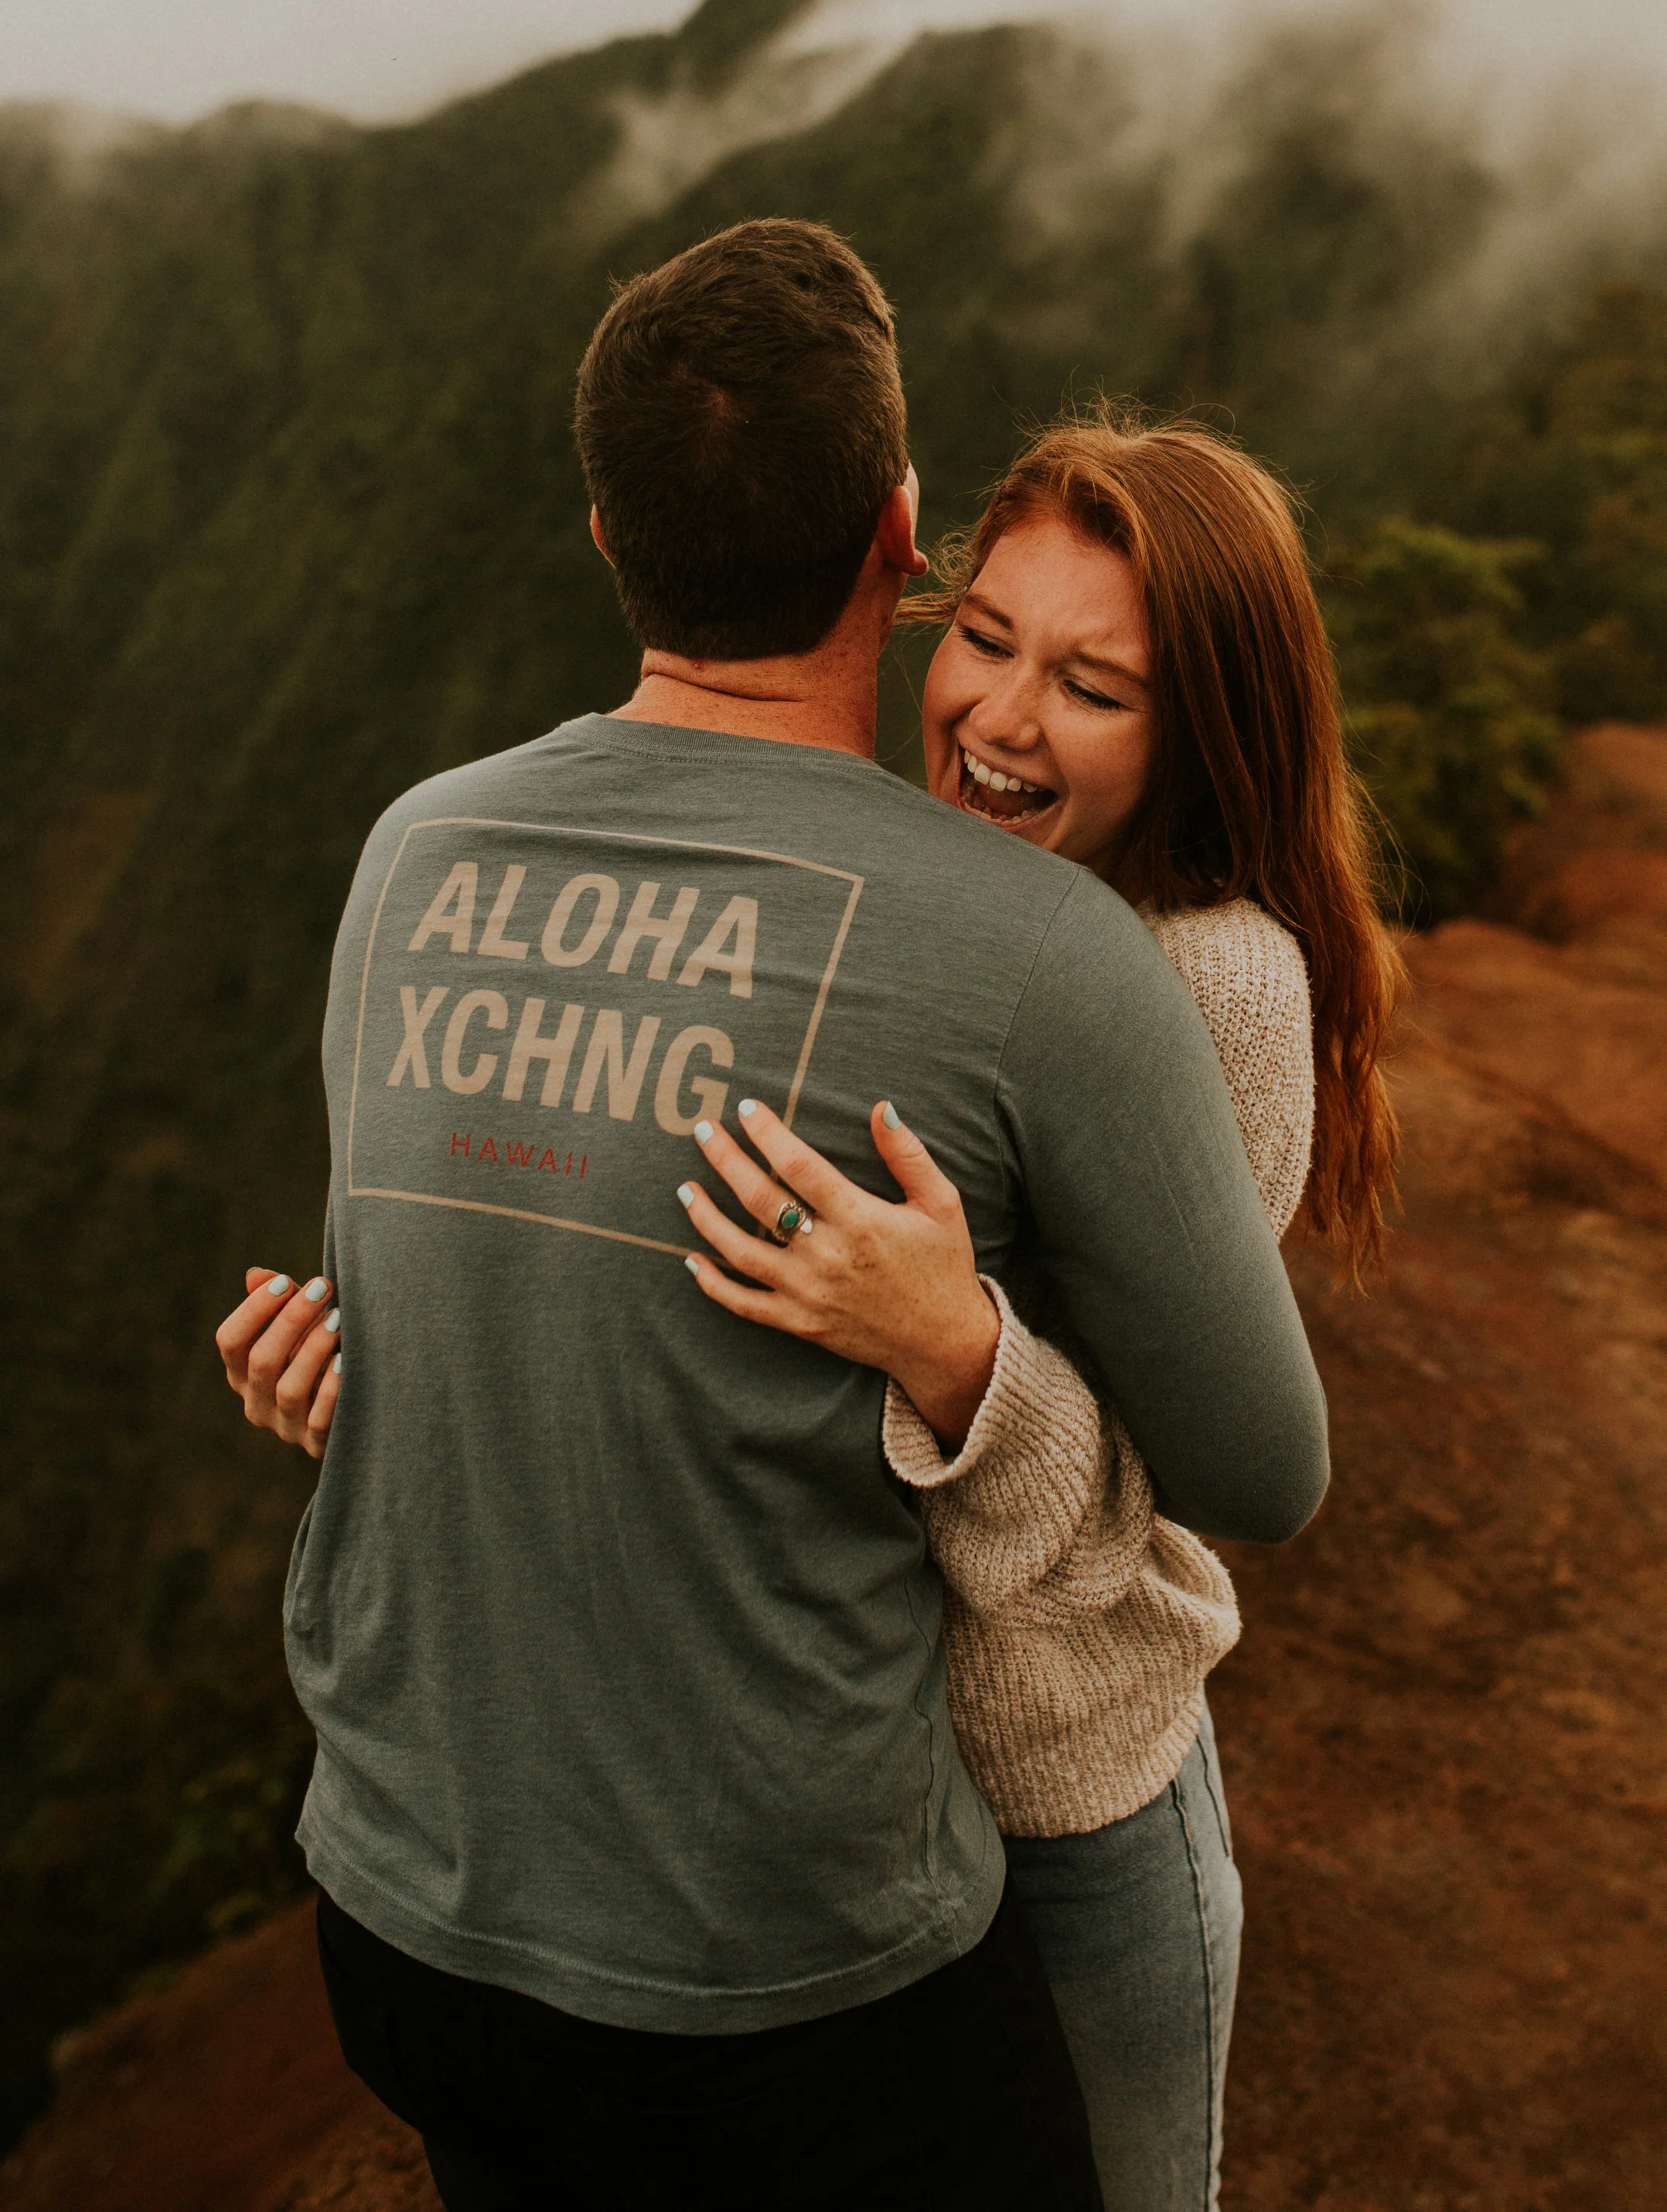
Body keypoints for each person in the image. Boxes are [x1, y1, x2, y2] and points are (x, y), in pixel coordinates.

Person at [217, 220, 1329, 2212]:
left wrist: (959, 1349)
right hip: (789, 1975)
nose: (1002, 714)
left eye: (1095, 683)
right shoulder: (1030, 952)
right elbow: (612, 1292)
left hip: (402, 1910)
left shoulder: (412, 855)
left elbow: (1226, 1471)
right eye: (994, 638)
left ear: (599, 535)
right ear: (908, 549)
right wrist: (393, 1374)